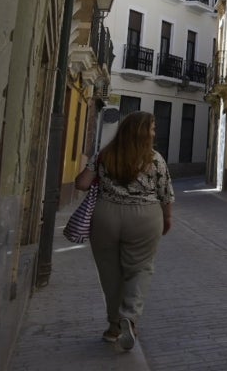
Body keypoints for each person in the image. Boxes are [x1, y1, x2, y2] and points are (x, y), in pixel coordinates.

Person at [74, 110, 174, 351]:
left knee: (110, 273)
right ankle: (129, 316)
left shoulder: (104, 155)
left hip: (106, 216)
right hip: (145, 216)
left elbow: (82, 183)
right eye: (152, 128)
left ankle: (113, 327)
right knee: (140, 268)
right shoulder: (155, 159)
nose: (154, 133)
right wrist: (167, 219)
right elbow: (166, 194)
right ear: (141, 131)